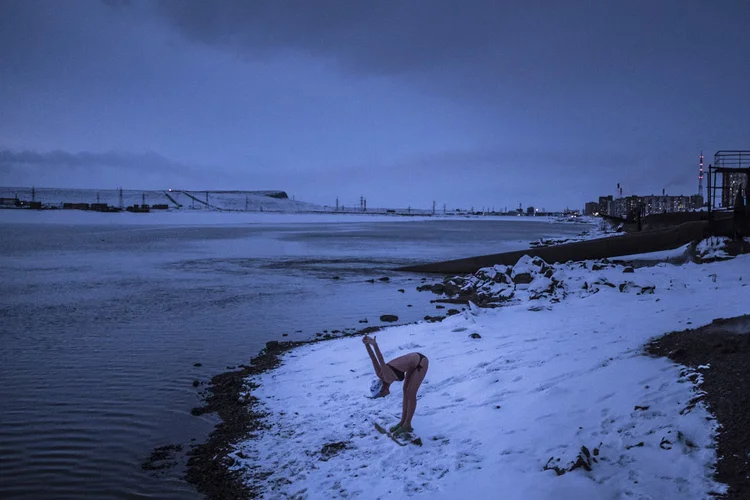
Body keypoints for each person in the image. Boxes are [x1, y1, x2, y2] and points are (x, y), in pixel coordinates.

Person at [362, 334, 429, 436]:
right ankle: (402, 422)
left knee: (410, 393)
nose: (383, 396)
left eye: (381, 395)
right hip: (413, 362)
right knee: (405, 392)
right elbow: (373, 359)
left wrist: (375, 345)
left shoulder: (386, 376)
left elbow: (380, 359)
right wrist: (366, 345)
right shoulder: (379, 373)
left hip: (421, 362)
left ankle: (407, 425)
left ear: (382, 389)